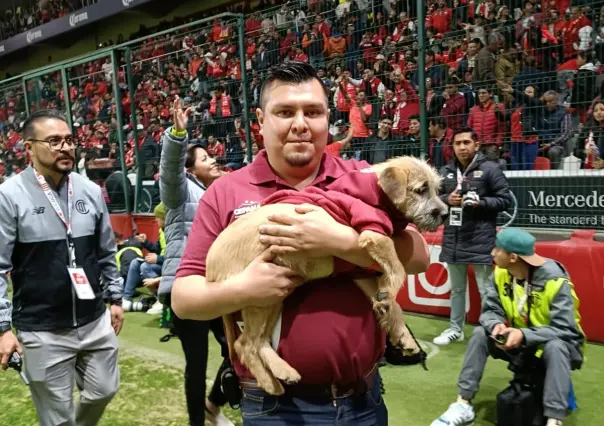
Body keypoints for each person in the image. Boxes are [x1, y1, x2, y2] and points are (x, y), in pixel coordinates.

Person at [171, 61, 430, 425]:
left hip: (363, 402)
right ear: (260, 121)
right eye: (284, 112)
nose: (300, 124)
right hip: (274, 409)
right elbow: (183, 299)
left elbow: (419, 256)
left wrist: (338, 240)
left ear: (328, 118)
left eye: (313, 111)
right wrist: (244, 289)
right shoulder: (225, 191)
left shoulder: (360, 177)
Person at [0, 109, 123, 426]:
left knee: (104, 390)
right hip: (43, 328)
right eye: (53, 141)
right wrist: (2, 328)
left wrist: (116, 298)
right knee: (58, 417)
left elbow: (106, 252)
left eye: (69, 140)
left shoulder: (90, 191)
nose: (65, 147)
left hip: (94, 319)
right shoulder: (8, 197)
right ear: (29, 147)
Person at [431, 228, 585, 426]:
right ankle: (463, 403)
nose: (492, 252)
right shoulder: (501, 274)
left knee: (556, 346)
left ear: (513, 257)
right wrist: (496, 326)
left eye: (497, 249)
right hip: (522, 342)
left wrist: (523, 334)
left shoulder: (555, 280)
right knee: (480, 333)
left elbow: (566, 330)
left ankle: (554, 420)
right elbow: (489, 311)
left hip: (560, 346)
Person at [158, 97, 233, 426]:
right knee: (197, 364)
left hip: (215, 287)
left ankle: (212, 404)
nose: (213, 160)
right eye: (204, 157)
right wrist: (177, 134)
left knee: (238, 350)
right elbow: (170, 170)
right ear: (190, 169)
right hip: (186, 286)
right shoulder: (178, 191)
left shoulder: (218, 194)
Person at [433, 126, 512, 345]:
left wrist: (480, 203)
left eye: (466, 142)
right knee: (457, 290)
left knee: (486, 290)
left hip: (481, 238)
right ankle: (455, 329)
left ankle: (490, 331)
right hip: (454, 237)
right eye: (458, 143)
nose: (462, 147)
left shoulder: (490, 169)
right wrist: (447, 199)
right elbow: (436, 197)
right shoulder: (446, 170)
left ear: (476, 145)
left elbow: (506, 200)